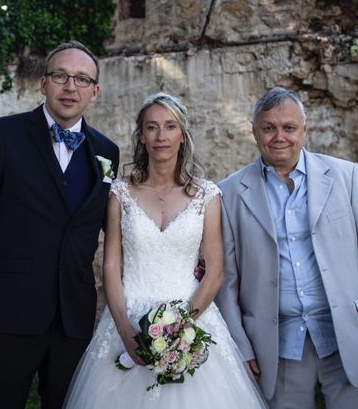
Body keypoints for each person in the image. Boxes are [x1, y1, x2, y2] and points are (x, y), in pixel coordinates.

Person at [63, 93, 267, 408]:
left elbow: (214, 272)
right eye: (152, 127)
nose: (161, 136)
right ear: (141, 135)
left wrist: (181, 327)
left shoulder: (207, 195)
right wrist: (125, 328)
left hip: (193, 316)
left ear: (182, 135)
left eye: (170, 126)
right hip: (127, 316)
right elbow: (111, 267)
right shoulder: (120, 192)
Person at [0, 40, 119, 408]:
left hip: (73, 318)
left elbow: (113, 230)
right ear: (43, 83)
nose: (70, 86)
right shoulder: (3, 135)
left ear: (95, 91)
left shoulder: (107, 152)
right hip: (7, 315)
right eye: (60, 76)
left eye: (81, 79)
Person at [215, 87, 358, 408]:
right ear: (254, 131)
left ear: (304, 129)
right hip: (276, 343)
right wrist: (240, 346)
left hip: (348, 333)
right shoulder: (229, 192)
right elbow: (226, 280)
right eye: (268, 127)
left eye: (288, 127)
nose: (279, 137)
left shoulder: (346, 176)